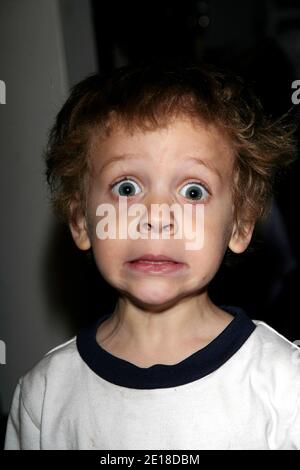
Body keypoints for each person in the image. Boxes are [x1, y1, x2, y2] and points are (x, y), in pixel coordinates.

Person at [4, 62, 300, 450]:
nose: (157, 216)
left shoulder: (283, 384)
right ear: (80, 220)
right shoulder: (44, 396)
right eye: (126, 188)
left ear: (241, 225)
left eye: (193, 192)